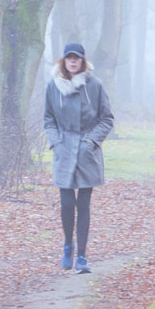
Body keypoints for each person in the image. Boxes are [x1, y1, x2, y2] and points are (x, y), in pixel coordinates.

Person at [42, 43, 114, 274]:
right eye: (69, 58)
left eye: (77, 58)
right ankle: (67, 245)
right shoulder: (53, 86)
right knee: (66, 204)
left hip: (86, 151)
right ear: (63, 61)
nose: (73, 61)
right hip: (64, 149)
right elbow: (48, 119)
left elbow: (107, 118)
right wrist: (56, 142)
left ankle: (81, 256)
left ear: (83, 61)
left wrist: (91, 142)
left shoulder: (95, 85)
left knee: (83, 205)